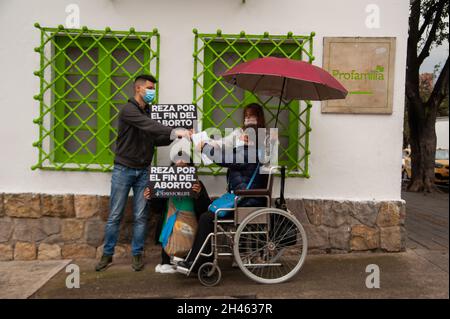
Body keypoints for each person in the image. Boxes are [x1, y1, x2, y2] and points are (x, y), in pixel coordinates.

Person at [95, 74, 191, 272]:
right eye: (149, 88)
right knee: (115, 214)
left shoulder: (149, 114)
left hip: (143, 170)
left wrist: (176, 135)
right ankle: (107, 254)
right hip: (123, 169)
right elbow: (147, 125)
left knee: (141, 215)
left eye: (153, 88)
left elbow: (154, 137)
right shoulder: (129, 110)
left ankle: (137, 254)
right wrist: (175, 132)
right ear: (138, 89)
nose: (152, 92)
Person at [177, 104, 268, 272]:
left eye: (251, 117)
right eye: (246, 116)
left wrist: (204, 148)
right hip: (243, 196)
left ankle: (197, 262)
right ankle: (196, 259)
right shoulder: (250, 147)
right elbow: (221, 145)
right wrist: (199, 139)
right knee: (206, 215)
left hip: (246, 199)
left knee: (206, 218)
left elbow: (225, 158)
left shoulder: (251, 150)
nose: (243, 134)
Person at [144, 156, 211, 274]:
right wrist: (150, 198)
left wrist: (199, 194)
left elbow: (205, 209)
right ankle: (167, 260)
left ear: (190, 169)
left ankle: (190, 260)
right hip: (169, 228)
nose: (180, 170)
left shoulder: (197, 184)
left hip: (192, 230)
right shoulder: (164, 183)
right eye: (177, 167)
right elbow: (157, 209)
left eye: (184, 167)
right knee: (167, 221)